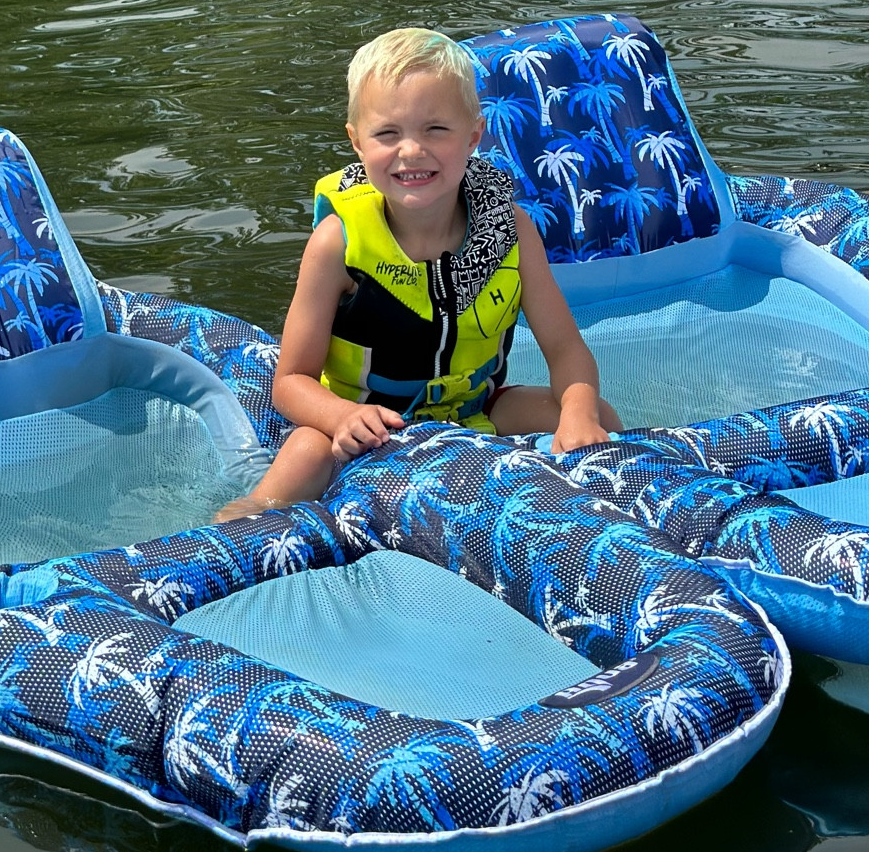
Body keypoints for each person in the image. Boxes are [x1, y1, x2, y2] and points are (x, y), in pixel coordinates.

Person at [214, 26, 622, 520]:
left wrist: (577, 417)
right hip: (364, 420)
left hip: (476, 410)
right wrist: (344, 416)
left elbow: (566, 349)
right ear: (357, 143)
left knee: (598, 414)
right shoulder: (338, 244)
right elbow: (291, 381)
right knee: (303, 456)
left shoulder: (508, 230)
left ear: (473, 135)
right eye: (388, 133)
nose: (411, 151)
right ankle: (236, 530)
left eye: (436, 129)